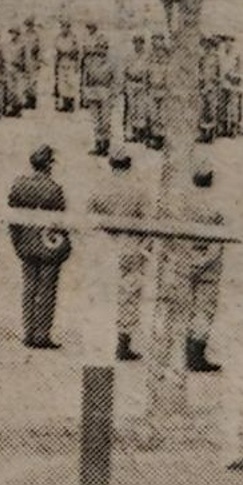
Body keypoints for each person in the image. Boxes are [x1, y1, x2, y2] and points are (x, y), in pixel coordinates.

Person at [8, 145, 72, 349]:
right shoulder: (54, 189)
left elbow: (13, 218)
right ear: (48, 165)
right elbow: (59, 222)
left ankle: (28, 331)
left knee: (28, 288)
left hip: (26, 242)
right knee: (47, 289)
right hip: (47, 243)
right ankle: (42, 334)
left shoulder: (19, 185)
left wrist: (16, 242)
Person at [88, 153, 150, 362]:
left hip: (105, 246)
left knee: (102, 293)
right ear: (129, 165)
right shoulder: (138, 190)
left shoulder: (99, 187)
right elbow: (147, 222)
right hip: (130, 246)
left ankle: (99, 339)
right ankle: (122, 343)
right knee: (129, 296)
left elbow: (91, 215)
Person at [177, 169, 226, 373]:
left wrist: (189, 260)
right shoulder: (217, 207)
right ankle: (196, 356)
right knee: (204, 310)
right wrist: (204, 261)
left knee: (184, 307)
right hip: (208, 268)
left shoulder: (184, 205)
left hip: (185, 262)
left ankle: (186, 354)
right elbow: (218, 244)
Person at [122, 36, 151, 144]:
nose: (138, 45)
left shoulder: (147, 56)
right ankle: (132, 133)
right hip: (131, 83)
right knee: (132, 109)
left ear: (143, 43)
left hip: (142, 83)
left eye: (140, 42)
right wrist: (125, 85)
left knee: (141, 108)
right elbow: (125, 71)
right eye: (136, 43)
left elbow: (148, 72)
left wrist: (146, 84)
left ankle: (141, 134)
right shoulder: (129, 56)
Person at [53, 18, 79, 112]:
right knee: (62, 83)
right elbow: (56, 50)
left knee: (70, 82)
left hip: (70, 61)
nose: (64, 29)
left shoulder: (73, 37)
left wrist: (76, 64)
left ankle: (71, 104)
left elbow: (76, 51)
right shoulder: (58, 37)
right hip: (62, 61)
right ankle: (64, 103)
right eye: (62, 27)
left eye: (66, 27)